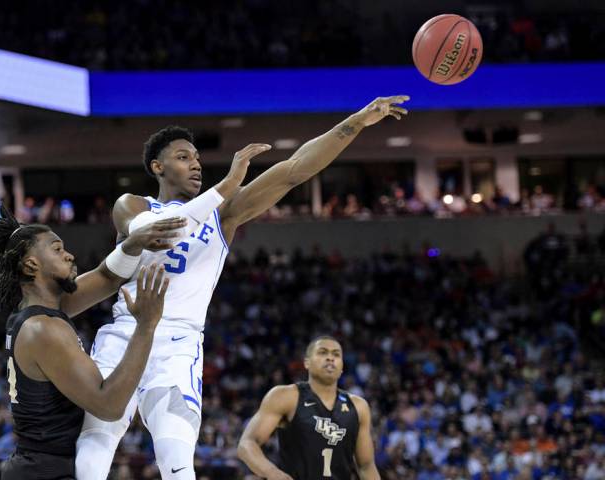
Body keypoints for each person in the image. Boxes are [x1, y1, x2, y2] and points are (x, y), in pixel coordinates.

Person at [75, 95, 409, 480]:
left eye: (197, 157)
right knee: (96, 446)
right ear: (157, 166)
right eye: (184, 157)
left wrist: (356, 122)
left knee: (177, 460)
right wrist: (226, 186)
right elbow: (151, 233)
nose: (196, 163)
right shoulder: (133, 204)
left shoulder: (224, 213)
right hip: (125, 334)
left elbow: (294, 170)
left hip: (178, 345)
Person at [0, 207, 186, 479]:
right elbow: (109, 406)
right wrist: (145, 326)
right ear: (31, 265)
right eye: (57, 249)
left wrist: (132, 244)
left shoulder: (36, 312)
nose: (69, 254)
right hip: (45, 470)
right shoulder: (43, 330)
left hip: (39, 466)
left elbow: (106, 278)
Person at [237, 336, 379, 479]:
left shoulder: (359, 406)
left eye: (336, 354)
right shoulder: (286, 396)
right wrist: (273, 473)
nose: (330, 358)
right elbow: (247, 444)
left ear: (342, 366)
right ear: (307, 363)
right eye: (322, 352)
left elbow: (366, 466)